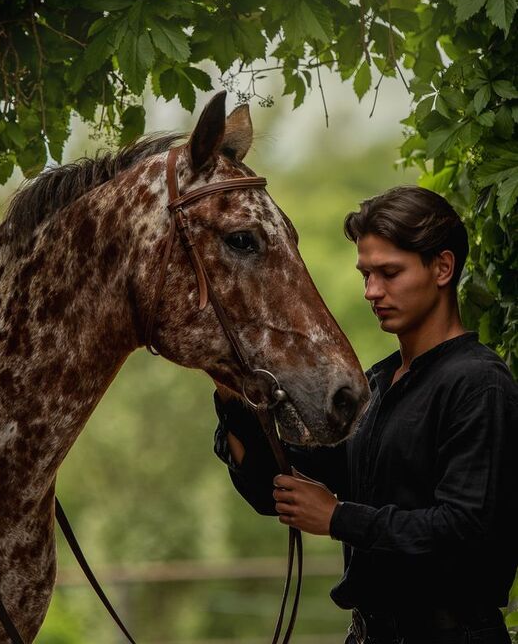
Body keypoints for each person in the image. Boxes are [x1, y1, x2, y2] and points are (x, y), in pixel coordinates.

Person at [213, 186, 518, 644]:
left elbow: (466, 530)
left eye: (390, 273)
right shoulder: (377, 385)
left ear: (442, 268)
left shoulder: (479, 383)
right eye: (366, 275)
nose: (373, 291)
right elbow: (275, 486)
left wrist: (339, 518)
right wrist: (232, 393)